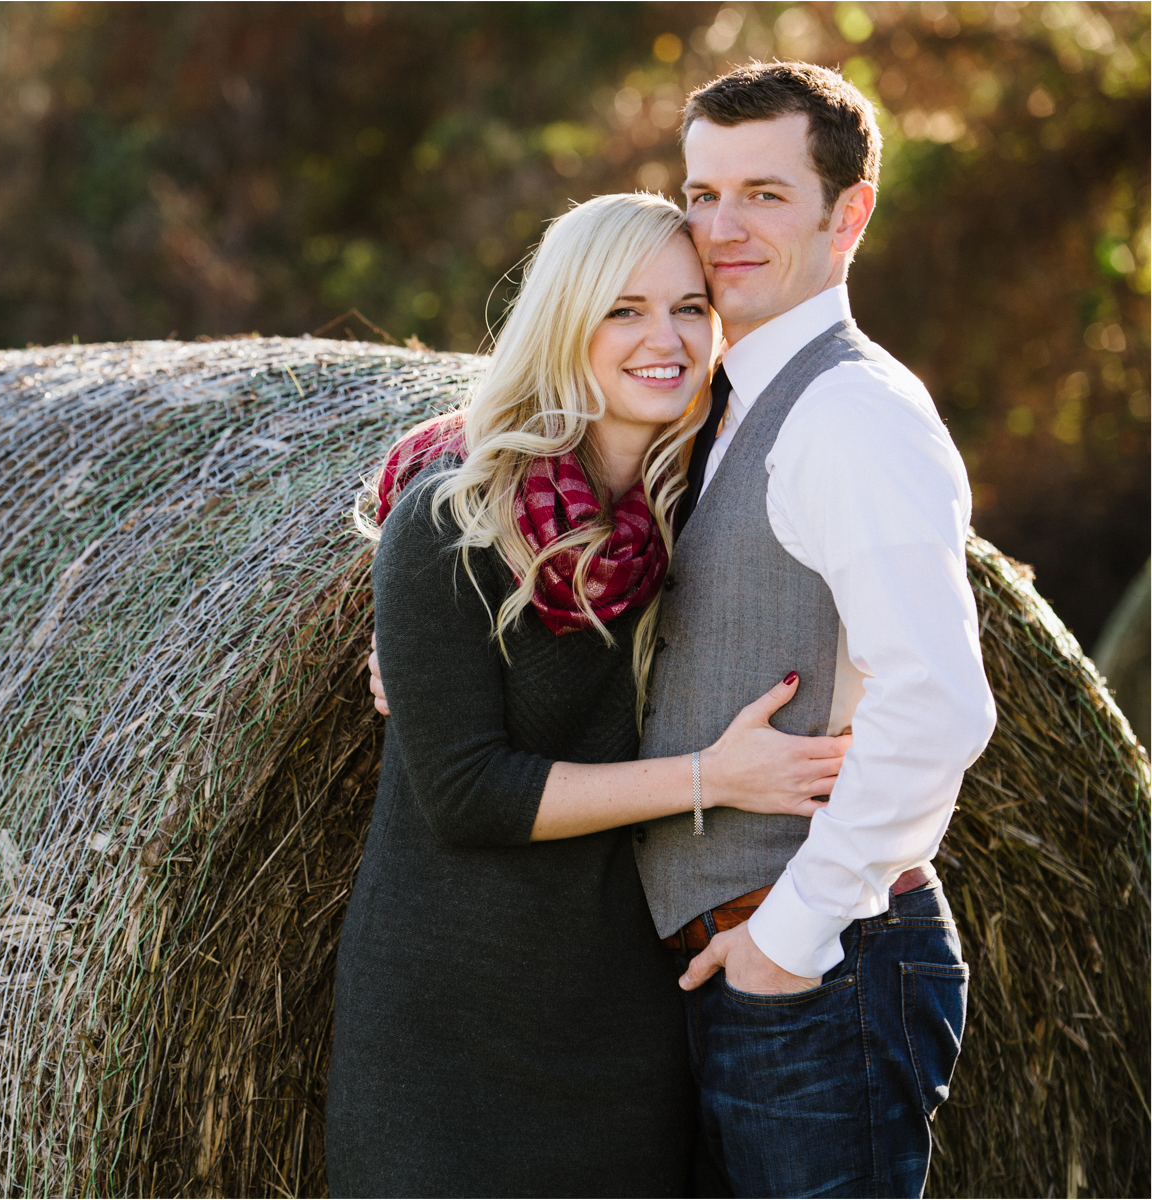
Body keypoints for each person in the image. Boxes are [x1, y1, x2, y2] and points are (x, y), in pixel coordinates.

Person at [368, 63, 996, 1199]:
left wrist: (786, 941)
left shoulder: (848, 416)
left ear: (847, 212)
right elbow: (523, 509)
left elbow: (943, 702)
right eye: (704, 193)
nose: (721, 229)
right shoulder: (704, 433)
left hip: (806, 959)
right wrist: (415, 641)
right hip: (655, 985)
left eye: (763, 194)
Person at [327, 191, 853, 1199]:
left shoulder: (704, 511)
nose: (666, 339)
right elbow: (468, 792)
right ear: (566, 322)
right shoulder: (455, 517)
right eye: (624, 310)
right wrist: (712, 778)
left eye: (691, 306)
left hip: (622, 1018)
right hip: (447, 1035)